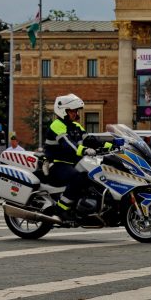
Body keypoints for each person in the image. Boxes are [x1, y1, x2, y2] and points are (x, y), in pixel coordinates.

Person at [44, 93, 111, 221]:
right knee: (78, 178)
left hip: (74, 163)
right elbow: (68, 144)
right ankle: (60, 210)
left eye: (75, 111)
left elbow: (91, 140)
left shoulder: (76, 126)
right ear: (63, 111)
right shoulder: (57, 125)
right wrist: (85, 150)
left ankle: (85, 207)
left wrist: (111, 145)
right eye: (72, 111)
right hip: (57, 164)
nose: (75, 113)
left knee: (93, 175)